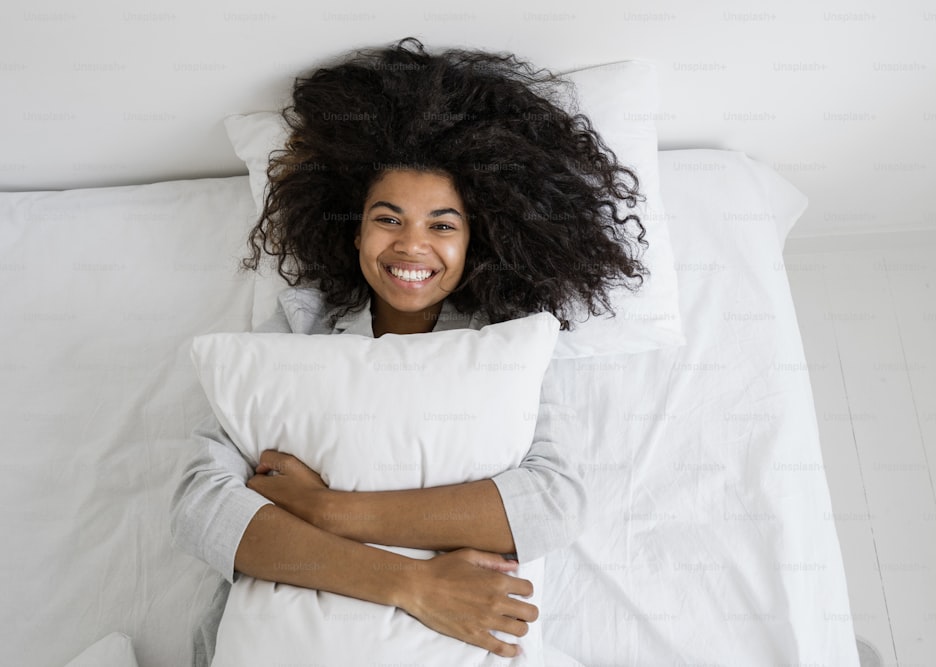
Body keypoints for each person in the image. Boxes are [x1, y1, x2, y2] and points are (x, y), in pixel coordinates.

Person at [170, 37, 647, 666]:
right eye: (387, 218)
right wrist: (412, 585)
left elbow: (551, 504)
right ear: (354, 223)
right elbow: (202, 508)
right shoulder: (299, 336)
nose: (411, 246)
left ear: (480, 237)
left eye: (442, 225)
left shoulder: (508, 348)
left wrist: (328, 509)